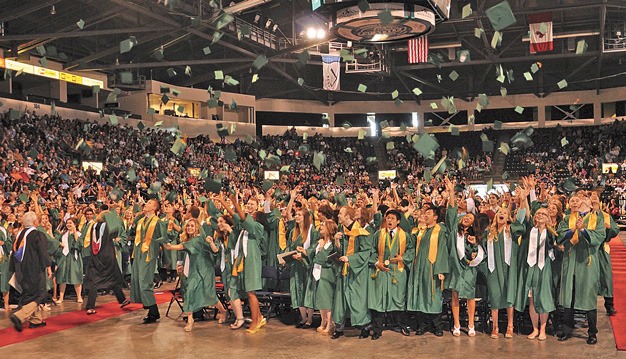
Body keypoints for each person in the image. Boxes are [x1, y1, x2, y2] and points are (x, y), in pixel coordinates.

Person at [557, 192, 606, 345]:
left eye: (586, 199)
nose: (583, 200)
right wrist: (572, 230)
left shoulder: (597, 220)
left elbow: (598, 238)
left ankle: (592, 333)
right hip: (570, 261)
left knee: (588, 297)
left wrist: (584, 230)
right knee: (568, 296)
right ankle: (567, 330)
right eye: (580, 199)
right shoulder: (568, 219)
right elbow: (559, 236)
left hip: (587, 262)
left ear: (592, 205)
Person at [165, 218, 226, 331]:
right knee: (190, 292)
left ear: (197, 227)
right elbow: (185, 249)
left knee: (209, 295)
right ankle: (190, 320)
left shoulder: (199, 239)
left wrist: (171, 247)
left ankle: (223, 311)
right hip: (194, 271)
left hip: (205, 270)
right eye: (188, 226)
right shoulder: (190, 239)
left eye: (192, 226)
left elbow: (215, 250)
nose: (189, 228)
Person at [446, 182, 486, 337]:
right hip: (456, 267)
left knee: (470, 297)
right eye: (464, 216)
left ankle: (470, 325)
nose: (466, 218)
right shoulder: (453, 232)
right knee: (455, 296)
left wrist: (475, 249)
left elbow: (481, 253)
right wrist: (451, 193)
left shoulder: (474, 237)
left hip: (469, 269)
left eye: (470, 217)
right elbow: (450, 214)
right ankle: (456, 324)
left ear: (473, 223)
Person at [367, 209, 414, 340]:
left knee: (398, 299)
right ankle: (377, 329)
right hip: (382, 271)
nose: (389, 220)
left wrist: (403, 258)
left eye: (393, 218)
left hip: (397, 272)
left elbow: (411, 250)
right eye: (388, 218)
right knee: (379, 300)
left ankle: (402, 325)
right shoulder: (378, 234)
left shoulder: (405, 235)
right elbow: (372, 250)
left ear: (398, 221)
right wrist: (377, 263)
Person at [406, 203, 449, 337]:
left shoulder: (440, 230)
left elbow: (442, 249)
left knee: (433, 295)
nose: (425, 215)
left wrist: (441, 270)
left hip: (432, 267)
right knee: (420, 295)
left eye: (428, 214)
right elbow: (410, 245)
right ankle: (422, 325)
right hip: (419, 267)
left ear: (435, 217)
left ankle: (437, 326)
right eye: (424, 214)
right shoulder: (420, 231)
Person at [331, 206, 372, 340]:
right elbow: (338, 249)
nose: (338, 216)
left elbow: (366, 252)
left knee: (358, 298)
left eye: (341, 214)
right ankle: (339, 328)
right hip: (343, 270)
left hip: (357, 271)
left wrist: (350, 258)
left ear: (348, 216)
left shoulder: (361, 232)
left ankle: (365, 327)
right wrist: (336, 240)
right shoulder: (341, 230)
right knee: (340, 299)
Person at [8, 212, 52, 332]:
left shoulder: (19, 235)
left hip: (21, 270)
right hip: (34, 270)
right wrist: (48, 266)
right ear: (35, 222)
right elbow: (43, 253)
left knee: (29, 294)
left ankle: (36, 321)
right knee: (41, 293)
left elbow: (13, 255)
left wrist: (14, 270)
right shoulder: (38, 235)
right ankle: (20, 315)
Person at [84, 205, 130, 314]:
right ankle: (122, 299)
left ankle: (91, 306)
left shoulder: (94, 226)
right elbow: (117, 230)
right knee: (113, 276)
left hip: (96, 257)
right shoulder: (109, 227)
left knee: (94, 281)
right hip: (108, 257)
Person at [130, 199, 169, 323]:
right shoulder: (141, 220)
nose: (146, 204)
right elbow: (131, 232)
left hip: (149, 254)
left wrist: (156, 243)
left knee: (145, 281)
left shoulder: (158, 222)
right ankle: (149, 306)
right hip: (138, 253)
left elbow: (164, 237)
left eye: (149, 203)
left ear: (155, 208)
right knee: (137, 280)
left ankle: (153, 311)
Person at [287, 187, 319, 328]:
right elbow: (289, 247)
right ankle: (302, 317)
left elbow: (314, 248)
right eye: (296, 215)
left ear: (305, 217)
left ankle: (310, 319)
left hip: (307, 266)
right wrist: (287, 255)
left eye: (300, 215)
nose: (297, 217)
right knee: (297, 291)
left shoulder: (312, 231)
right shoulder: (293, 232)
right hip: (295, 266)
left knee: (308, 291)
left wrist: (304, 255)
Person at [302, 219, 337, 334]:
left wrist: (321, 248)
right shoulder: (320, 241)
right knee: (320, 299)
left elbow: (324, 260)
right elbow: (313, 257)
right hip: (317, 272)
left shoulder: (331, 245)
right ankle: (323, 321)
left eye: (323, 225)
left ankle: (330, 323)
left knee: (326, 299)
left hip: (326, 273)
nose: (320, 227)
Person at [592, 192, 619, 316]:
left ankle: (609, 304)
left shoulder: (606, 216)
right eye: (591, 197)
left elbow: (615, 229)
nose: (593, 198)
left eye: (595, 196)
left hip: (602, 249)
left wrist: (608, 228)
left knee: (606, 276)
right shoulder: (586, 215)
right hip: (589, 249)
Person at [54, 218, 84, 304]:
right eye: (67, 223)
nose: (68, 225)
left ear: (75, 224)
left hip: (74, 257)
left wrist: (74, 232)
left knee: (76, 276)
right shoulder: (63, 235)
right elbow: (56, 241)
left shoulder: (79, 234)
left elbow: (79, 245)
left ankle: (79, 296)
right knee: (62, 276)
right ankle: (61, 297)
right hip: (64, 257)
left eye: (70, 223)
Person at [0, 222, 12, 311]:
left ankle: (6, 304)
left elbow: (9, 242)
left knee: (4, 280)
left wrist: (3, 243)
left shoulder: (3, 229)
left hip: (3, 256)